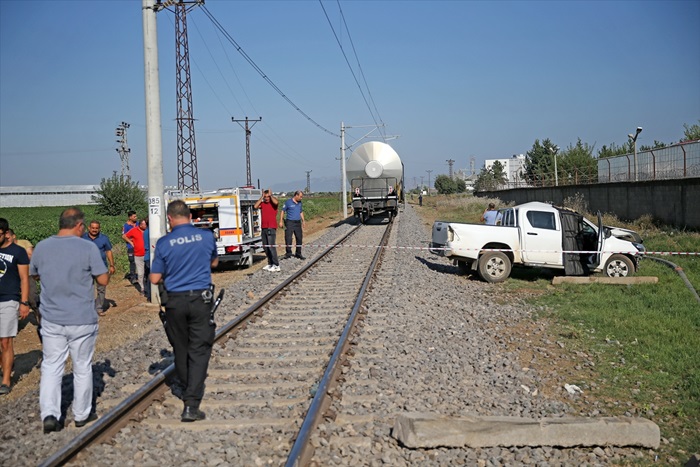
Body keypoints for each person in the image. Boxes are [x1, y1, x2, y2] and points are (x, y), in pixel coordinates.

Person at [29, 207, 109, 433]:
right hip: (82, 318)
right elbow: (102, 279)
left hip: (52, 318)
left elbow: (34, 274)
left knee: (51, 366)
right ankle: (82, 414)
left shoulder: (42, 247)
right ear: (79, 225)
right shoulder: (88, 247)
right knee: (82, 367)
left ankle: (50, 415)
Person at [149, 199, 218, 423]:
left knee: (180, 347)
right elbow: (214, 263)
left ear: (169, 219)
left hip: (174, 302)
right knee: (199, 348)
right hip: (200, 299)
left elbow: (154, 278)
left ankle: (186, 386)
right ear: (190, 216)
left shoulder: (164, 243)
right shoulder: (207, 236)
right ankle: (191, 403)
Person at [0, 218, 31, 396]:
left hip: (9, 300)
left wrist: (24, 302)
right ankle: (6, 364)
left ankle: (6, 380)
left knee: (6, 341)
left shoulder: (17, 252)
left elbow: (24, 278)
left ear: (5, 233)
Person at [82, 220, 116, 315]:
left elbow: (108, 251)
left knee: (101, 288)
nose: (94, 230)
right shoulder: (82, 238)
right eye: (93, 228)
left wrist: (112, 265)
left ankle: (99, 308)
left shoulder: (104, 238)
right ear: (89, 228)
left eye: (96, 228)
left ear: (99, 229)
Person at [254, 189, 280, 272]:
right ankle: (270, 263)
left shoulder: (273, 204)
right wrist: (261, 197)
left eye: (267, 197)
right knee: (265, 247)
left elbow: (276, 202)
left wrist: (271, 195)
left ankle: (276, 265)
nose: (266, 198)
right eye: (265, 197)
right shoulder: (263, 204)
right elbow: (255, 206)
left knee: (271, 246)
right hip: (264, 227)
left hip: (271, 227)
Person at [122, 218, 147, 295]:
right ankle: (142, 288)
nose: (146, 226)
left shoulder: (149, 230)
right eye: (144, 224)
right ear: (140, 224)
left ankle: (148, 287)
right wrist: (131, 242)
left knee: (148, 272)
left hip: (148, 254)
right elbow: (124, 236)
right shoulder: (134, 230)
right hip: (138, 255)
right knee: (140, 273)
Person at [279, 190, 306, 260]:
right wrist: (281, 221)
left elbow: (301, 212)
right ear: (296, 195)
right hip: (290, 222)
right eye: (300, 196)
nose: (301, 198)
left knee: (299, 238)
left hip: (297, 223)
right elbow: (282, 211)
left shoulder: (300, 203)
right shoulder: (288, 202)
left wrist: (303, 221)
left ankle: (298, 253)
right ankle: (288, 253)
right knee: (288, 238)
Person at [122, 211, 138, 284]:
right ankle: (133, 277)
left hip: (139, 246)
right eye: (134, 216)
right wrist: (131, 242)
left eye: (136, 216)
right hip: (131, 246)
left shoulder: (138, 224)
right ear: (130, 217)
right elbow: (124, 236)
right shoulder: (126, 226)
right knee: (132, 261)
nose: (136, 218)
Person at [142, 219, 151, 302]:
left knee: (148, 276)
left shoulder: (145, 232)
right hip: (150, 256)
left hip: (148, 256)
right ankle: (149, 294)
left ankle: (149, 294)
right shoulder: (149, 232)